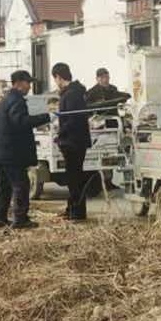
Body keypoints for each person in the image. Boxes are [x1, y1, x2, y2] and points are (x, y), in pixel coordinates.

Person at [0, 70, 52, 229]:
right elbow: (21, 122)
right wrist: (46, 117)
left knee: (4, 187)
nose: (29, 86)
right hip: (11, 153)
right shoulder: (17, 100)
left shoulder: (6, 99)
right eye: (28, 83)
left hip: (1, 152)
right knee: (21, 185)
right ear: (19, 83)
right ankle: (21, 220)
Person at [51, 62, 91, 221]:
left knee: (74, 178)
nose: (56, 83)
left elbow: (73, 119)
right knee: (73, 177)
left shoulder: (71, 94)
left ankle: (77, 212)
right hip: (75, 140)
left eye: (55, 79)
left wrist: (60, 134)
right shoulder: (74, 92)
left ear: (59, 77)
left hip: (73, 141)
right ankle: (71, 209)